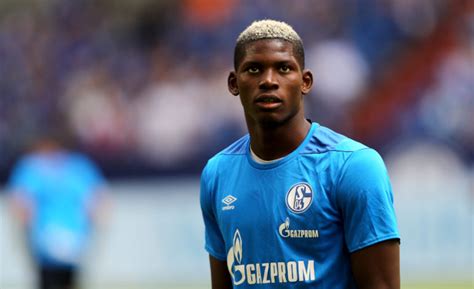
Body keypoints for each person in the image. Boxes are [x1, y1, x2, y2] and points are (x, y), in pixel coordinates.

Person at [200, 19, 400, 289]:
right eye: (254, 69)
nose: (268, 81)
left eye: (283, 68)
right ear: (234, 83)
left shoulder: (353, 166)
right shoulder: (217, 173)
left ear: (305, 82)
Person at [7, 130, 107, 289]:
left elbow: (20, 201)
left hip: (52, 236)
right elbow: (96, 201)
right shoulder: (77, 167)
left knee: (53, 279)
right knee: (59, 279)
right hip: (64, 237)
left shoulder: (35, 167)